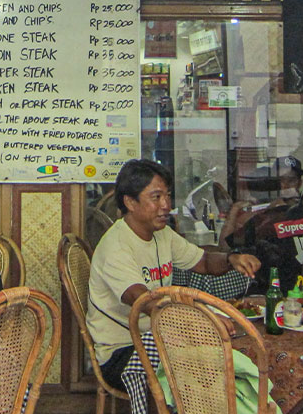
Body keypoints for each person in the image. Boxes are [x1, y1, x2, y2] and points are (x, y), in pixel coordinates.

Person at [88, 159, 260, 391]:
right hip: (122, 352)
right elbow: (146, 302)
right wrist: (203, 321)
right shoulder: (116, 247)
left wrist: (232, 259)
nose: (166, 205)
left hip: (161, 336)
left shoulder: (162, 234)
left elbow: (204, 262)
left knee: (226, 355)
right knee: (206, 364)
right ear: (130, 202)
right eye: (156, 197)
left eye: (167, 196)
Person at [219, 155, 303, 292]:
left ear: (299, 183)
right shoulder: (262, 216)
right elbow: (225, 247)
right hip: (277, 286)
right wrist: (235, 212)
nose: (285, 185)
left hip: (302, 288)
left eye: (291, 180)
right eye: (280, 180)